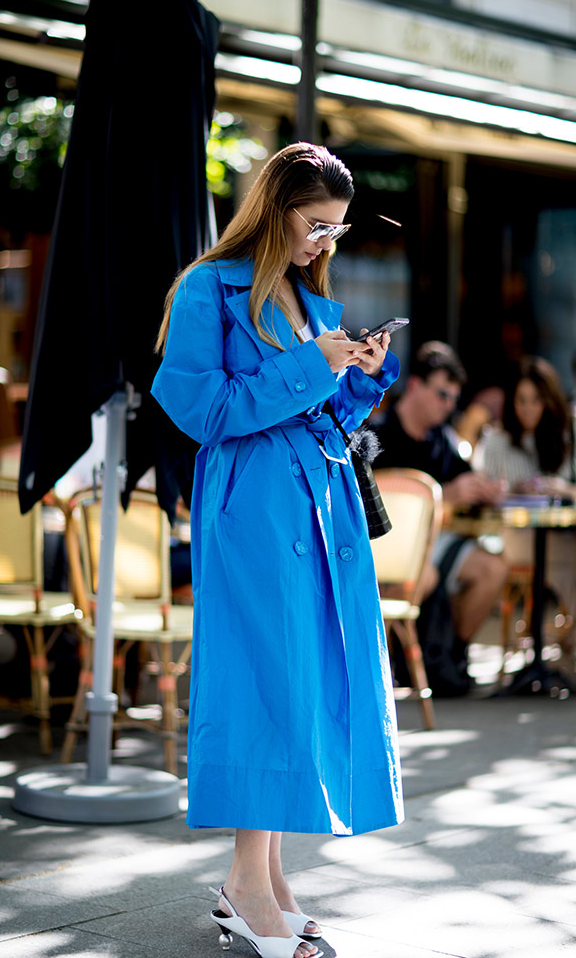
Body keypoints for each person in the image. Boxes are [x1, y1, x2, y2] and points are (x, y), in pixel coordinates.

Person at [152, 142, 404, 958]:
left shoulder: (310, 299)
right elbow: (198, 408)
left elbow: (320, 420)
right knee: (265, 683)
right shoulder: (206, 287)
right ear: (275, 210)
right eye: (314, 225)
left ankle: (262, 880)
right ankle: (248, 885)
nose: (325, 242)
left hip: (318, 509)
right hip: (254, 511)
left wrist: (357, 377)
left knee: (299, 687)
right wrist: (307, 367)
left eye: (336, 228)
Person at [372, 341, 508, 653]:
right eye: (442, 394)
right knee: (424, 576)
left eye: (454, 399)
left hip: (436, 543)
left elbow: (466, 479)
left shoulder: (442, 440)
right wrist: (447, 496)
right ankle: (388, 663)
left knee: (493, 569)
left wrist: (484, 489)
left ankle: (446, 658)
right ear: (416, 385)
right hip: (387, 547)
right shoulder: (378, 436)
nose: (448, 405)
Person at [479, 356, 576, 688]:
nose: (528, 409)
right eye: (521, 400)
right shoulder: (497, 440)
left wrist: (563, 488)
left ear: (549, 400)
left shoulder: (574, 427)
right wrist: (507, 490)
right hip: (519, 536)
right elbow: (485, 493)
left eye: (536, 400)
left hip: (569, 534)